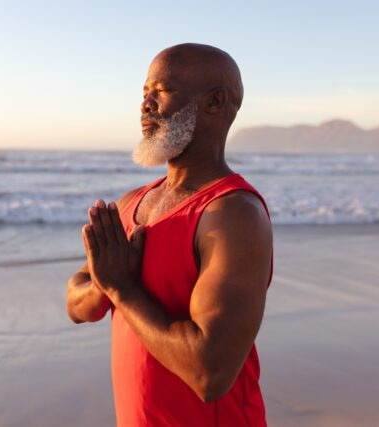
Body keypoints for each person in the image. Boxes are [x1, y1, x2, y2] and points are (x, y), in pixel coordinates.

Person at [66, 43, 273, 427]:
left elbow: (209, 372)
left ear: (214, 102)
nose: (146, 104)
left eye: (162, 91)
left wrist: (123, 290)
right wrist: (103, 285)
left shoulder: (233, 214)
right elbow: (76, 304)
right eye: (145, 92)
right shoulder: (133, 202)